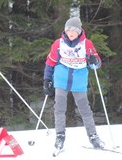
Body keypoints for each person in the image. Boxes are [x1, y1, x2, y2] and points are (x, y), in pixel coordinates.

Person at [43, 17, 105, 151]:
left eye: (74, 31)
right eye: (68, 30)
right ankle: (60, 135)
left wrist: (94, 60)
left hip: (78, 79)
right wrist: (47, 80)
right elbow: (50, 62)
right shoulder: (58, 44)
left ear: (79, 31)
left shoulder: (86, 44)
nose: (70, 33)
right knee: (59, 108)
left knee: (85, 109)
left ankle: (93, 136)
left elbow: (96, 64)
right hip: (61, 78)